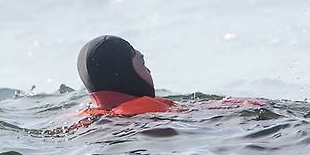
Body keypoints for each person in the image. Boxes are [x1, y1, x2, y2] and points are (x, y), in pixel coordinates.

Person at [77, 35, 264, 117]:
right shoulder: (150, 109)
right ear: (124, 73)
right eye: (142, 64)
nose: (149, 71)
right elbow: (201, 117)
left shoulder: (83, 117)